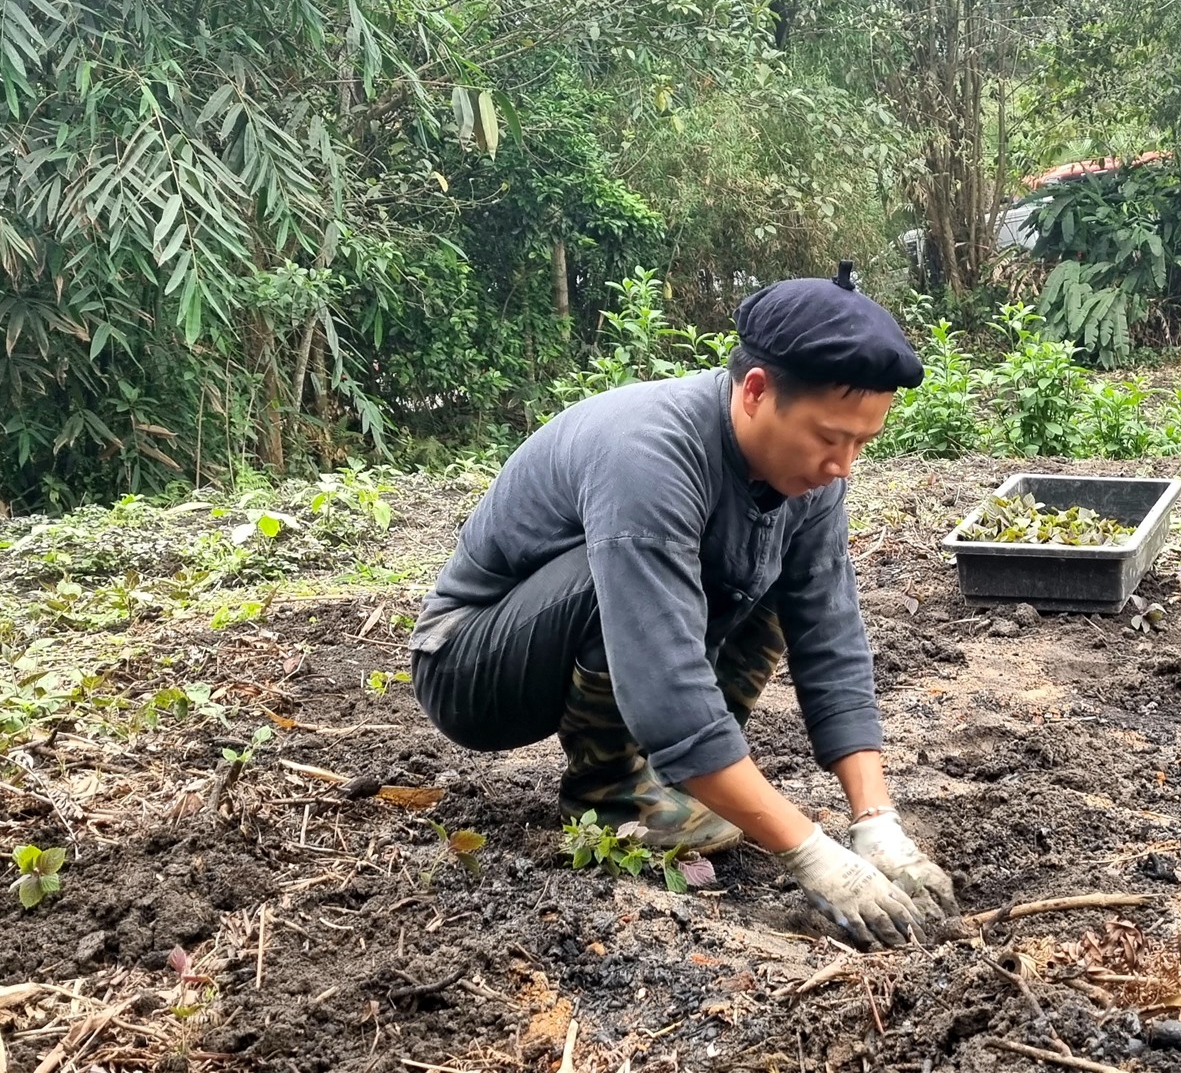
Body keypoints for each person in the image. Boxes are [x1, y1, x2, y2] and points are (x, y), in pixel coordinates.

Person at [406, 263, 958, 949]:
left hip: (591, 642)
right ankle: (614, 801)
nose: (842, 465)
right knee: (628, 573)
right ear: (756, 391)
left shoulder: (813, 481)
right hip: (473, 667)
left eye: (861, 443)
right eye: (827, 437)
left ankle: (686, 779)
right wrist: (807, 851)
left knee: (781, 580)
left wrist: (875, 820)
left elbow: (829, 628)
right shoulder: (651, 452)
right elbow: (662, 673)